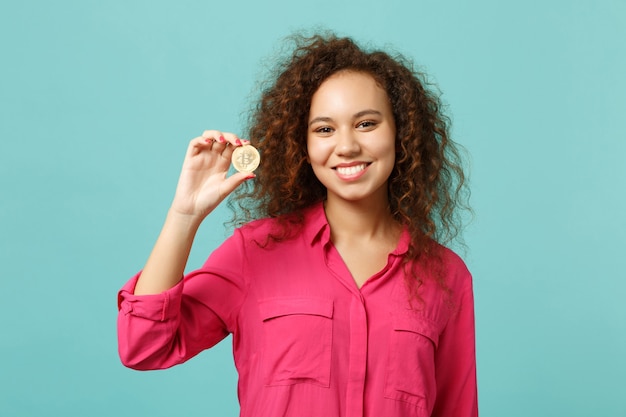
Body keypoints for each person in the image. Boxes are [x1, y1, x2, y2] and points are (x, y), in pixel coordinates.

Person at [117, 32, 477, 417]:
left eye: (367, 124)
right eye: (324, 129)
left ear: (400, 133)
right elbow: (143, 345)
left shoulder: (447, 276)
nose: (347, 146)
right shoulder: (254, 252)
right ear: (302, 146)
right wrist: (184, 215)